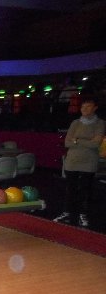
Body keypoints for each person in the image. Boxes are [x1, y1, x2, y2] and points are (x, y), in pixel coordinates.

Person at [54, 97, 105, 227]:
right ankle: (67, 213)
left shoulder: (100, 123)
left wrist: (77, 140)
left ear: (95, 108)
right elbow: (67, 142)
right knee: (70, 190)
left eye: (88, 106)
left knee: (85, 190)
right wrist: (86, 141)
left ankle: (83, 214)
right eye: (83, 107)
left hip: (89, 162)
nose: (84, 109)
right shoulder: (75, 123)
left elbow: (96, 144)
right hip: (72, 161)